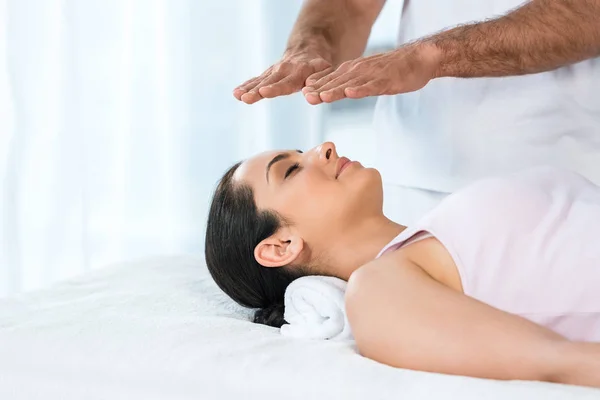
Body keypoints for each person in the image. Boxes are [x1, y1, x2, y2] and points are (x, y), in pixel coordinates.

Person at [205, 141, 600, 387]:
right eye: (291, 170)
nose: (324, 148)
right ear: (280, 246)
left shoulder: (439, 229)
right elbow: (560, 363)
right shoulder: (376, 293)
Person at [233, 0, 600, 225]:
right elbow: (351, 4)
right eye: (291, 168)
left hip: (570, 179)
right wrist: (311, 46)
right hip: (413, 177)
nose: (326, 148)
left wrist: (432, 56)